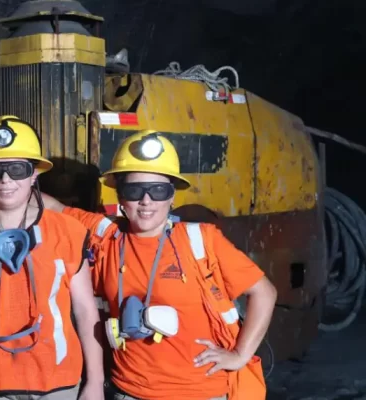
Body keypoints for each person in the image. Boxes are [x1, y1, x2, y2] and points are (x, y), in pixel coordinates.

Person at [42, 130, 277, 400]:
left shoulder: (201, 240)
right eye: (134, 190)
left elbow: (264, 292)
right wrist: (13, 177)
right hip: (128, 391)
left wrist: (239, 355)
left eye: (158, 190)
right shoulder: (106, 236)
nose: (146, 200)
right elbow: (50, 208)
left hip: (200, 392)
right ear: (120, 197)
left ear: (172, 197)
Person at [0, 115, 105, 400]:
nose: (5, 179)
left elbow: (85, 309)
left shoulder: (67, 231)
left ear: (34, 173)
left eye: (17, 169)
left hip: (56, 378)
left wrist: (94, 383)